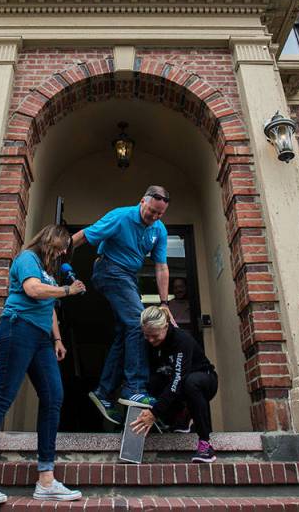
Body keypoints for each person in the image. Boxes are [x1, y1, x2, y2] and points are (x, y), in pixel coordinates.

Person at [0, 224, 87, 505]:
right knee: (2, 399)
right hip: (18, 328)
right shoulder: (27, 259)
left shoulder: (49, 270)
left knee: (54, 396)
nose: (65, 251)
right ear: (50, 238)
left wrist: (57, 339)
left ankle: (46, 479)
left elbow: (49, 306)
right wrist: (67, 290)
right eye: (63, 244)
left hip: (42, 337)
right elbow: (33, 291)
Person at [72, 186, 173, 423]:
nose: (154, 218)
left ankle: (103, 392)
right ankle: (134, 388)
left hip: (128, 277)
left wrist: (164, 302)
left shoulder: (159, 229)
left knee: (125, 332)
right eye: (151, 212)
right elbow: (85, 235)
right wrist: (53, 255)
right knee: (139, 323)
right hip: (109, 270)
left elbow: (161, 266)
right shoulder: (120, 216)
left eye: (160, 214)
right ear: (142, 202)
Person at [129, 306, 219, 464]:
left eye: (154, 336)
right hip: (179, 383)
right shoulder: (151, 342)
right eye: (146, 335)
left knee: (189, 382)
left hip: (205, 380)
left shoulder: (181, 340)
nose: (150, 340)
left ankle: (205, 444)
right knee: (154, 381)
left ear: (165, 326)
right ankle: (179, 418)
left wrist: (154, 412)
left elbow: (178, 379)